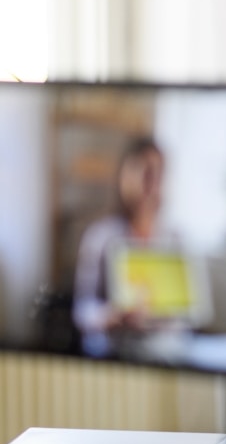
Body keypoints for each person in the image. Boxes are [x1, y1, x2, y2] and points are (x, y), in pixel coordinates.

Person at [73, 136, 174, 355]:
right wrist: (111, 316)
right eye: (144, 172)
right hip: (111, 351)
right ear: (125, 175)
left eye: (158, 174)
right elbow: (82, 310)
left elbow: (183, 317)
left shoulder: (173, 241)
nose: (151, 182)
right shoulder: (100, 237)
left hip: (161, 352)